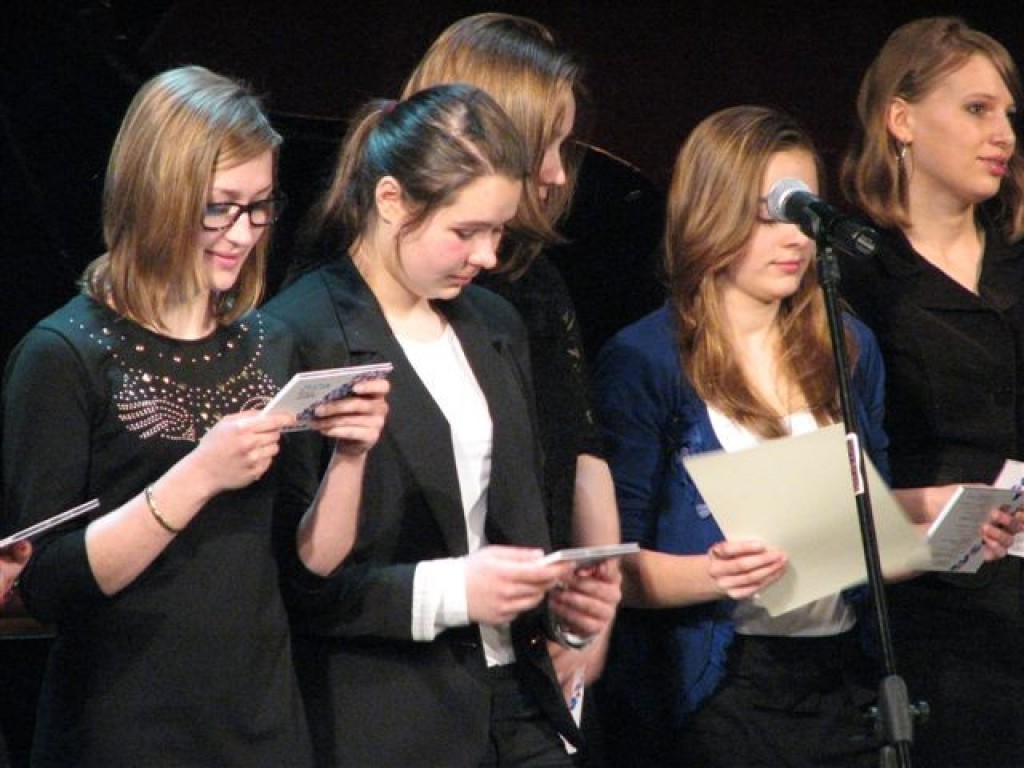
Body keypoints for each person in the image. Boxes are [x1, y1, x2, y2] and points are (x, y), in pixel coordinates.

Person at [590, 104, 1013, 767]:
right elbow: (614, 566)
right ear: (712, 212)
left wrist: (948, 531)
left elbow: (859, 522)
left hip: (842, 678)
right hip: (725, 686)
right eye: (772, 213)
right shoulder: (648, 360)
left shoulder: (846, 346)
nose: (795, 238)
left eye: (805, 212)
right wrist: (713, 573)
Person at [1, 65, 388, 767]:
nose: (243, 233)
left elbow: (310, 566)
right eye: (219, 207)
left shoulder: (271, 344)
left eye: (260, 206)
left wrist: (352, 459)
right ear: (157, 197)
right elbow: (46, 584)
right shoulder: (64, 354)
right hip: (124, 732)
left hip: (261, 726)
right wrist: (199, 475)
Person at [265, 83, 620, 767]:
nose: (488, 256)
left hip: (519, 706)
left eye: (498, 231)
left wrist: (560, 598)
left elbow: (505, 519)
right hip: (392, 715)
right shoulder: (300, 333)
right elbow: (292, 582)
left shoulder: (493, 325)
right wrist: (455, 591)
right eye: (465, 232)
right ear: (392, 200)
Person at [400, 15, 625, 721]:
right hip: (419, 654)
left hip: (533, 634)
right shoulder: (355, 291)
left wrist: (597, 611)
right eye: (541, 147)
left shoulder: (534, 282)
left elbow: (579, 450)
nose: (556, 172)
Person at [838, 16, 1024, 767]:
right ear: (901, 119)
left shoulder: (1015, 260)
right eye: (977, 109)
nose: (1003, 134)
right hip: (932, 613)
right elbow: (834, 471)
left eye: (1009, 113)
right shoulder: (854, 275)